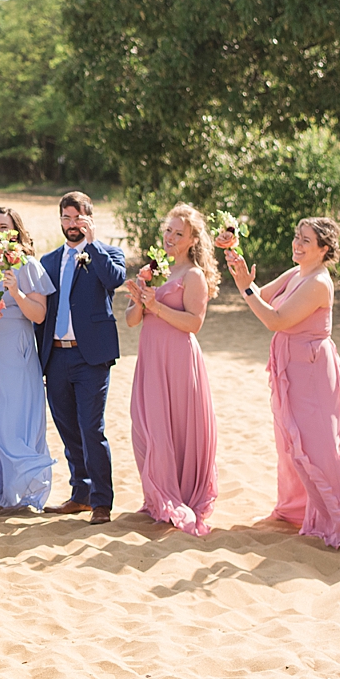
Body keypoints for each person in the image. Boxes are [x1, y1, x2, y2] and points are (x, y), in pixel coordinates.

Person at [226, 218, 340, 548]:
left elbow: (276, 320)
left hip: (312, 371)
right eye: (296, 236)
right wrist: (240, 271)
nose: (297, 244)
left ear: (324, 249)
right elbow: (260, 296)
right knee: (292, 442)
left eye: (306, 240)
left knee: (319, 446)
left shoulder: (319, 282)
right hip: (291, 368)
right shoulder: (297, 272)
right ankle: (298, 508)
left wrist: (247, 288)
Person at [124, 205, 220, 536]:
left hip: (178, 360)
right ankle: (157, 494)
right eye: (168, 230)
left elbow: (194, 323)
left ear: (193, 240)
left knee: (176, 427)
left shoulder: (193, 276)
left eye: (179, 233)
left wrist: (156, 305)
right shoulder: (156, 270)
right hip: (150, 358)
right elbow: (131, 321)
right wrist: (139, 300)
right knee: (146, 425)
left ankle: (175, 495)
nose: (171, 237)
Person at [38, 192, 127, 525]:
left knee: (92, 429)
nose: (72, 224)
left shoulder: (107, 253)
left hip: (91, 358)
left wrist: (93, 245)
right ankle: (81, 494)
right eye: (66, 218)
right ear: (60, 220)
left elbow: (115, 279)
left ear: (89, 219)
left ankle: (102, 500)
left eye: (78, 218)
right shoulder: (48, 261)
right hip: (56, 357)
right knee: (67, 429)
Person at [0, 207, 55, 511]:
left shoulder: (28, 265)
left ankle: (23, 488)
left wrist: (16, 292)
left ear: (15, 232)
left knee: (13, 417)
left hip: (14, 349)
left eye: (3, 227)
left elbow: (40, 315)